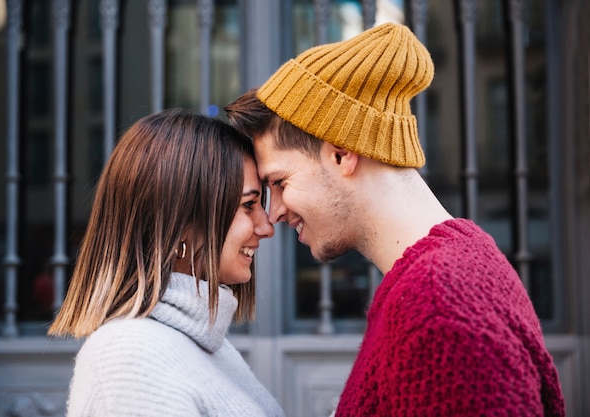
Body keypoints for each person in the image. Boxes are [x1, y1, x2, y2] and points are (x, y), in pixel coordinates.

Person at [224, 22, 565, 416]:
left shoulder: (439, 305)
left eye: (280, 182)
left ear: (341, 153)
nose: (275, 212)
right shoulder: (448, 271)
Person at [48, 109, 285, 417]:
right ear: (182, 222)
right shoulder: (130, 355)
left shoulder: (202, 346)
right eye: (249, 205)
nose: (266, 227)